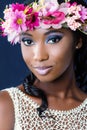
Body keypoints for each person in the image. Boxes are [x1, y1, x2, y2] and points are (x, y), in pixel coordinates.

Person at [0, 0, 87, 129]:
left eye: (53, 39)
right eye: (28, 41)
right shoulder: (6, 105)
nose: (39, 56)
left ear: (78, 41)